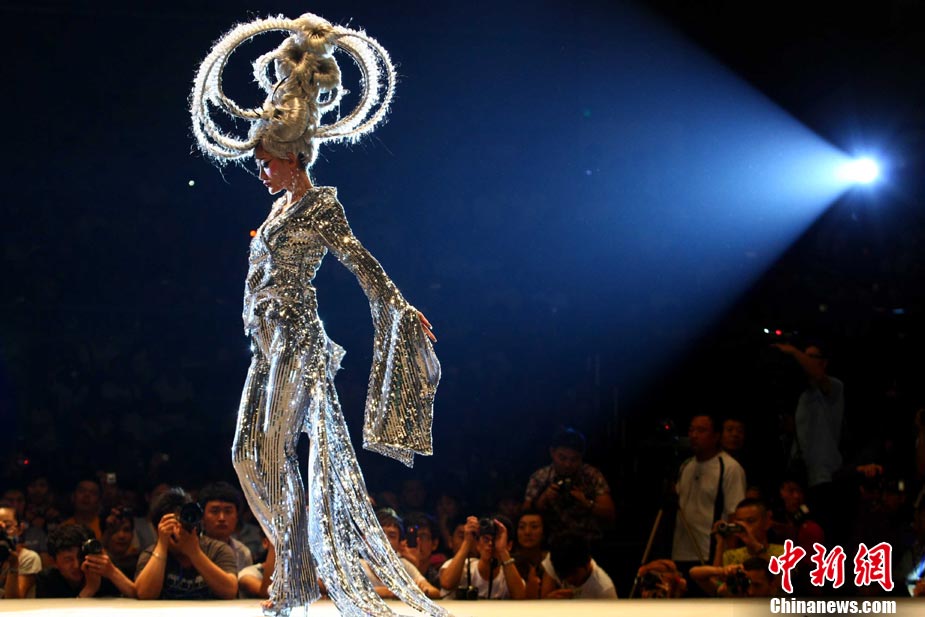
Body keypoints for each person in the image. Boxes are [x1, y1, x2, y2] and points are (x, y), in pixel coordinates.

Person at [190, 12, 443, 617]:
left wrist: (399, 307)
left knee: (271, 453)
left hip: (297, 341)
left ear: (292, 157)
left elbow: (360, 261)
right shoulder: (276, 211)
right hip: (266, 342)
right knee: (247, 455)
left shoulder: (320, 207)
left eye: (267, 160)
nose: (260, 169)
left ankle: (293, 580)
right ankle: (297, 566)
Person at [671, 415, 746, 584]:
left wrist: (729, 557)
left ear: (716, 436)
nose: (694, 435)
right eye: (691, 430)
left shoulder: (730, 467)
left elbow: (735, 515)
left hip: (709, 553)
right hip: (681, 552)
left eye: (701, 430)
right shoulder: (686, 466)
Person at [134, 488, 238, 600]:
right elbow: (144, 594)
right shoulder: (151, 554)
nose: (179, 527)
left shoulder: (218, 550)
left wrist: (194, 553)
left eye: (182, 520)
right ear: (158, 527)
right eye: (173, 521)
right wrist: (162, 545)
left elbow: (230, 592)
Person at [523, 427, 616, 541]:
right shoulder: (540, 477)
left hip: (588, 540)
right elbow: (524, 515)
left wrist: (586, 503)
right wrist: (543, 499)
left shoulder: (592, 476)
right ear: (552, 452)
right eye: (562, 458)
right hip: (551, 541)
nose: (567, 464)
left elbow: (610, 514)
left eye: (574, 459)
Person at [36, 523, 135, 598]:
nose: (77, 565)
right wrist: (90, 589)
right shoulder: (47, 580)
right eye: (68, 559)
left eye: (81, 557)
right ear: (54, 562)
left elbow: (137, 598)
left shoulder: (105, 572)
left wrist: (112, 572)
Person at [439, 515, 526, 599]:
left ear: (509, 545)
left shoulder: (509, 576)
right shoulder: (461, 566)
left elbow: (520, 597)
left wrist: (503, 551)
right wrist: (467, 542)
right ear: (477, 543)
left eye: (495, 539)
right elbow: (447, 584)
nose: (490, 544)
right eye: (486, 539)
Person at [540, 531, 617, 599]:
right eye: (563, 575)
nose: (569, 579)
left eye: (574, 573)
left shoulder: (604, 590)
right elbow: (544, 601)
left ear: (587, 563)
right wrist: (549, 601)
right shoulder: (556, 559)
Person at [198, 481, 253, 571]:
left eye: (228, 511)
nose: (221, 518)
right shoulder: (193, 547)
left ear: (237, 517)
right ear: (202, 516)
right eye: (215, 511)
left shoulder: (243, 553)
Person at [1, 502, 42, 598]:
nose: (2, 533)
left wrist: (14, 565)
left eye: (8, 526)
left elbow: (14, 600)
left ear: (20, 529)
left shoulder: (28, 558)